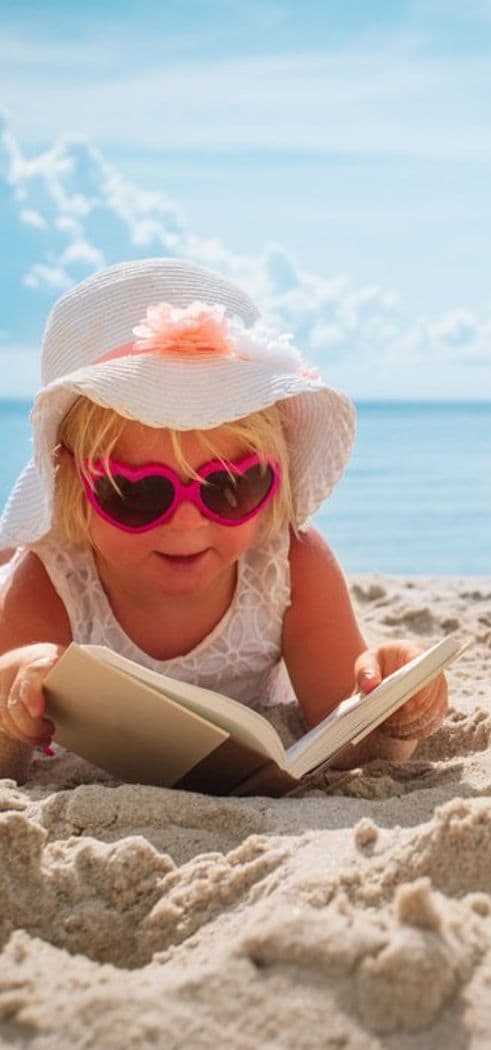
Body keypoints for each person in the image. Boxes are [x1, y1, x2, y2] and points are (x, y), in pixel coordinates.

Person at [0, 258, 449, 784]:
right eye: (137, 493)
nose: (188, 524)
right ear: (74, 480)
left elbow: (352, 742)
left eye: (231, 487)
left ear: (274, 472)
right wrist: (13, 694)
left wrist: (400, 706)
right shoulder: (53, 578)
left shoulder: (290, 564)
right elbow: (9, 758)